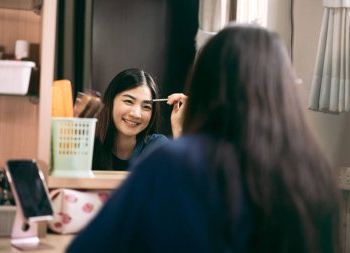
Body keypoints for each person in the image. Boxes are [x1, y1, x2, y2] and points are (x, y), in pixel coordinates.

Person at [68, 25, 340, 253]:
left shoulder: (170, 160)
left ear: (203, 84)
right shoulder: (314, 172)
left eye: (147, 105)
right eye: (128, 101)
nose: (136, 113)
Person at [92, 68, 187, 170]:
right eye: (128, 101)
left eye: (146, 107)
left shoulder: (157, 148)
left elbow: (183, 181)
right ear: (111, 101)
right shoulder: (88, 146)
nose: (136, 114)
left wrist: (179, 129)